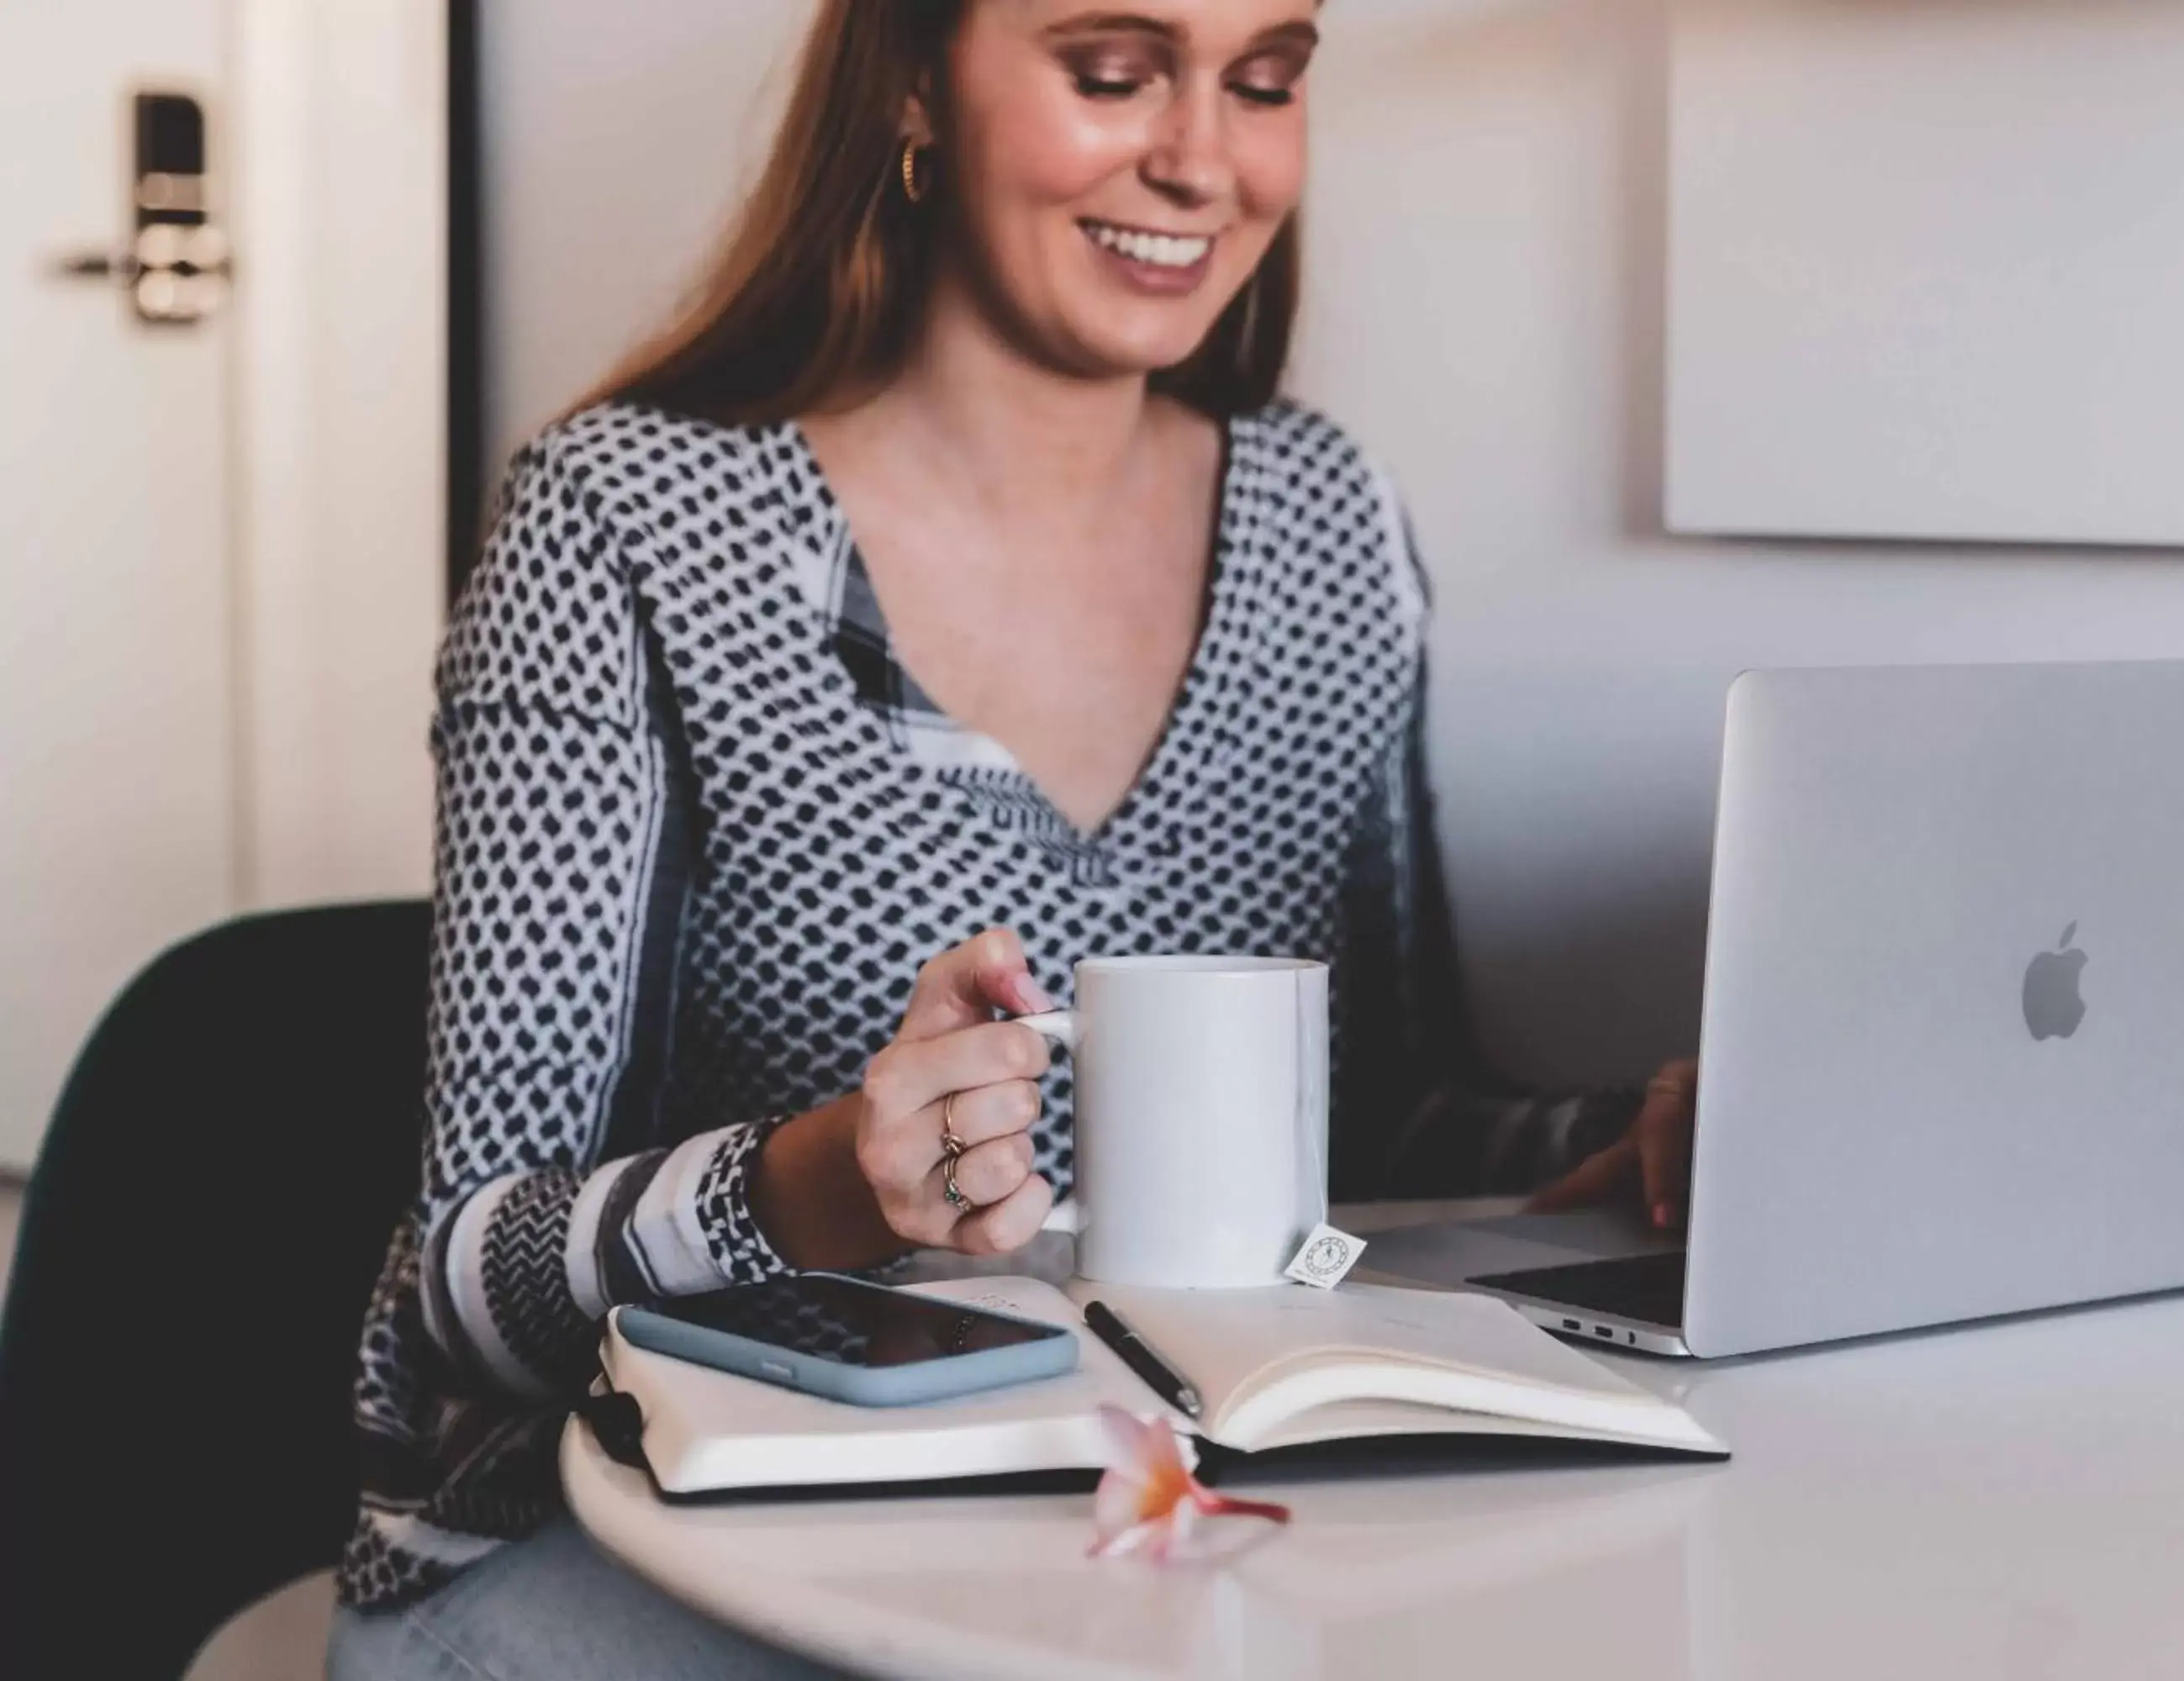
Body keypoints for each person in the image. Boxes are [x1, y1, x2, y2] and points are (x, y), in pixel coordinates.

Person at [330, 2, 1694, 1674]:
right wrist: (821, 1179)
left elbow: (1378, 1119)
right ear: (911, 81)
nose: (1201, 158)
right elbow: (468, 1275)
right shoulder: (628, 527)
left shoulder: (1326, 524)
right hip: (648, 1547)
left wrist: (1643, 1137)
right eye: (1112, 73)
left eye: (1265, 81)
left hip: (1134, 1548)